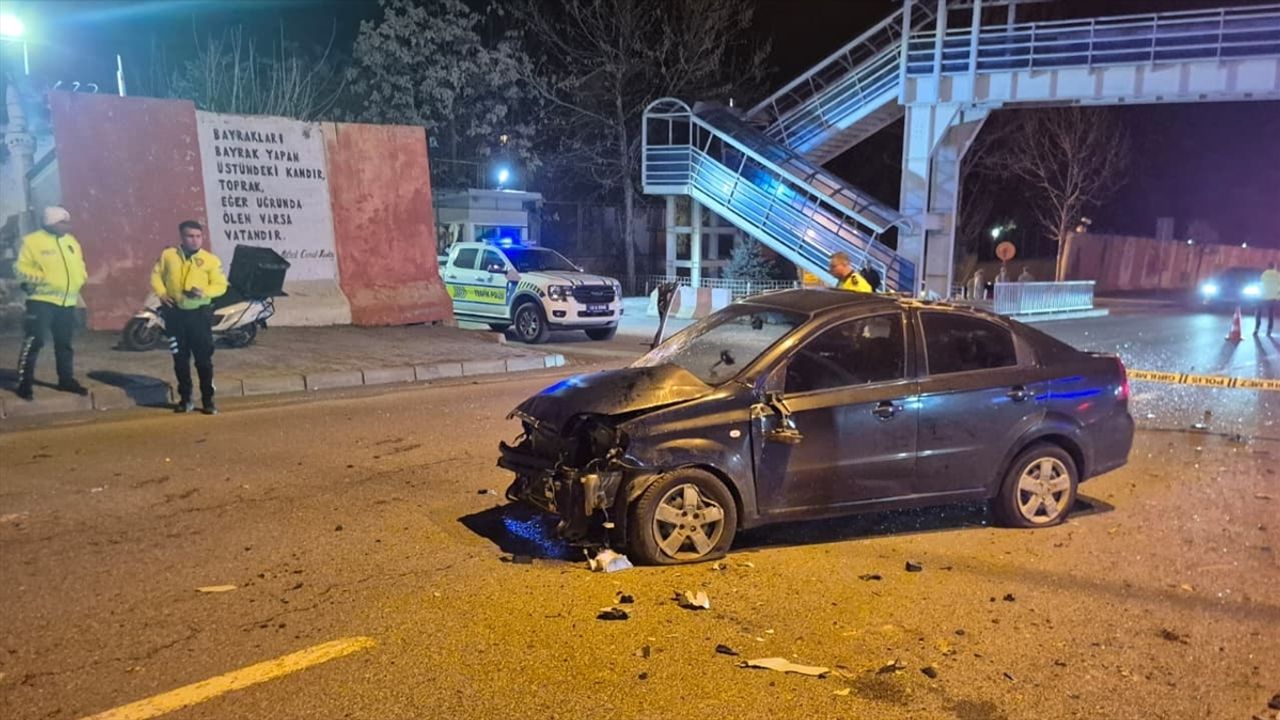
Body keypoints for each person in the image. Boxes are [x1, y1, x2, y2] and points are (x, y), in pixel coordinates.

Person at [151, 220, 228, 414]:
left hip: (199, 316)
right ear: (182, 237)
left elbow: (221, 285)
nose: (195, 240)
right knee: (180, 359)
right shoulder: (168, 255)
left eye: (198, 236)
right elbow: (156, 275)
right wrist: (161, 293)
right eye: (190, 236)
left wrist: (204, 292)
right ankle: (185, 399)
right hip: (174, 315)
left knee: (203, 360)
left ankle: (208, 400)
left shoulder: (210, 260)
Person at [13, 206, 89, 401]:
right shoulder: (32, 242)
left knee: (64, 344)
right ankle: (24, 383)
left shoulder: (71, 242)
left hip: (67, 301)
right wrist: (42, 278)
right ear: (51, 223)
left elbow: (80, 266)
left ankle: (66, 380)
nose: (68, 226)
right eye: (63, 222)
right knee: (35, 341)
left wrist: (81, 278)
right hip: (42, 301)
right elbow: (20, 268)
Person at [1257, 261, 1280, 336]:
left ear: (1268, 266)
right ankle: (1269, 330)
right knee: (1271, 314)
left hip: (1263, 296)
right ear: (1274, 266)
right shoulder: (1278, 275)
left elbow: (1261, 284)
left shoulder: (1264, 274)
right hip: (1273, 297)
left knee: (1259, 312)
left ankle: (1257, 328)